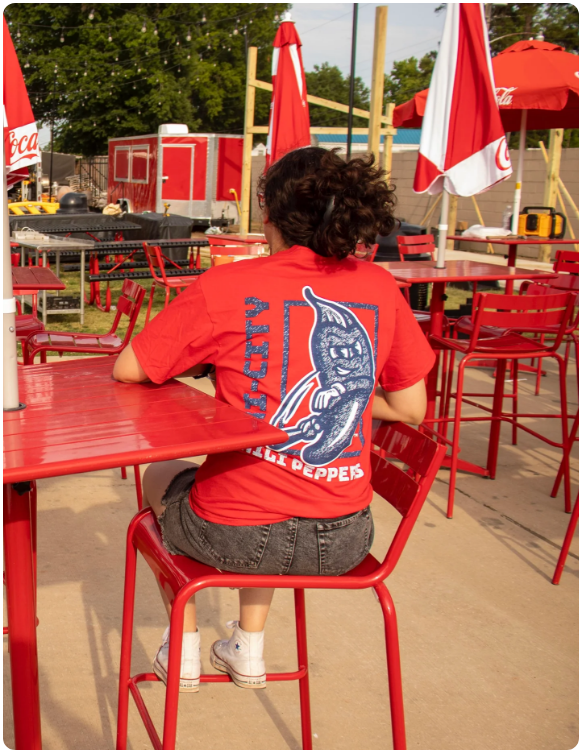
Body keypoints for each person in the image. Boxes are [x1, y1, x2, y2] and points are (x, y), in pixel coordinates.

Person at [113, 147, 435, 693]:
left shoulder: (228, 285)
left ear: (270, 214)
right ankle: (248, 646)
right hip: (345, 539)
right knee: (270, 494)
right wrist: (340, 400)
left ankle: (184, 642)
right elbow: (410, 409)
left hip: (231, 533)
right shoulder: (380, 287)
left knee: (164, 475)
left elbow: (129, 369)